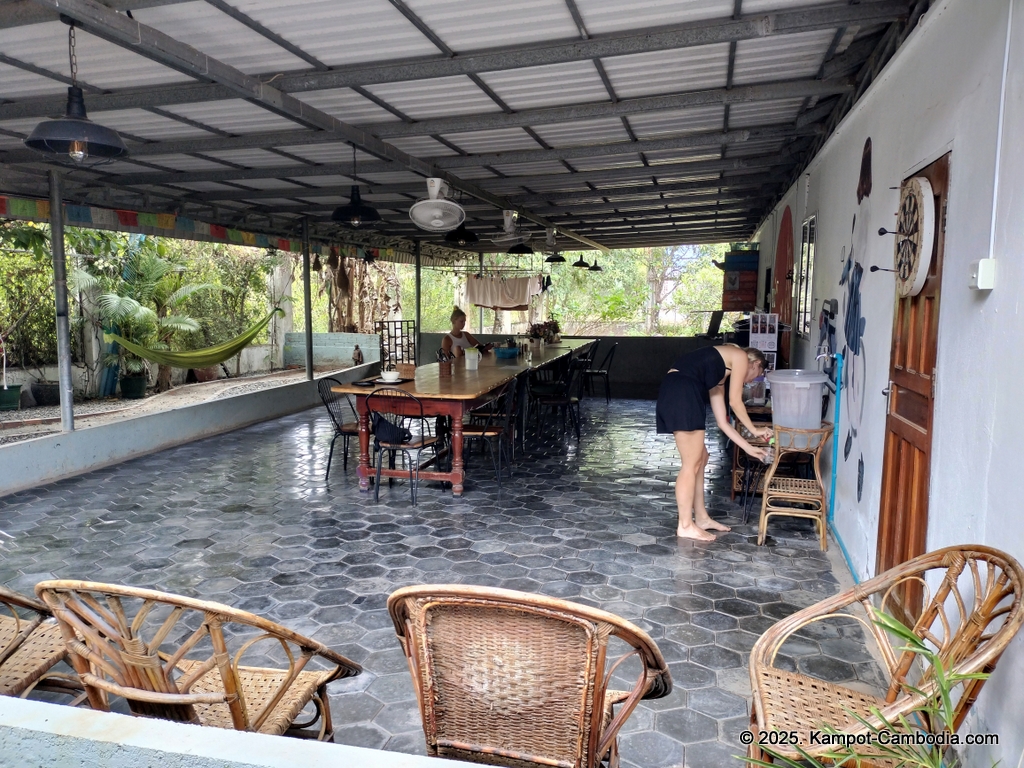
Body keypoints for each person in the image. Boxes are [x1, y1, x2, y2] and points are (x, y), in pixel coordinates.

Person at [656, 345, 772, 541]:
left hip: (680, 391)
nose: (752, 382)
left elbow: (723, 423)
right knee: (690, 465)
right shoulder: (740, 356)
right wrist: (754, 430)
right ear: (756, 364)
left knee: (702, 457)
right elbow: (735, 402)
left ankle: (701, 518)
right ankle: (685, 525)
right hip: (682, 392)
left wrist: (748, 447)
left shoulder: (719, 376)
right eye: (757, 375)